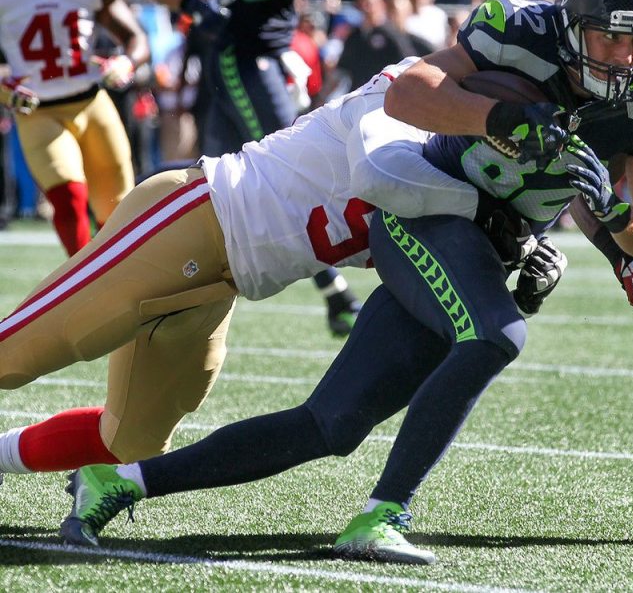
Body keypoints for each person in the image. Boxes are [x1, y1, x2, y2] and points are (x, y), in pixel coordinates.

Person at [61, 0, 633, 566]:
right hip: (428, 217)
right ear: (567, 27)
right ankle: (385, 513)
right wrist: (502, 116)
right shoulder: (517, 34)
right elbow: (409, 94)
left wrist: (617, 222)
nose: (623, 57)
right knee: (496, 334)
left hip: (488, 245)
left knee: (331, 425)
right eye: (607, 38)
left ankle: (121, 483)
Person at [0, 54, 550, 487]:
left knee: (129, 443)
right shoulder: (401, 95)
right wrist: (490, 217)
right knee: (16, 353)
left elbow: (436, 275)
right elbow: (385, 173)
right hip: (192, 219)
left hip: (222, 283)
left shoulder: (465, 168)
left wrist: (516, 258)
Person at [135, 0, 362, 335]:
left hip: (279, 52)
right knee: (287, 167)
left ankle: (148, 231)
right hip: (242, 55)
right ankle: (337, 293)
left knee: (216, 177)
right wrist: (191, 5)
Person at [0, 0, 150, 256]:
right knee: (68, 198)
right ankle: (83, 283)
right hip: (38, 111)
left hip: (91, 102)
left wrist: (126, 62)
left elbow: (135, 37)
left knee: (120, 211)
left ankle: (125, 284)